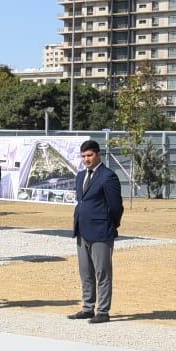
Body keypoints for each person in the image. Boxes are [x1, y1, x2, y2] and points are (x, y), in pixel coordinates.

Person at [70, 139, 124, 324]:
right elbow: (82, 201)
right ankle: (87, 307)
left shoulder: (108, 176)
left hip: (101, 231)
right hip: (82, 230)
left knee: (102, 273)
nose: (86, 159)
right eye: (83, 156)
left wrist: (111, 225)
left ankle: (102, 310)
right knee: (85, 272)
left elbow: (116, 206)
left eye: (90, 155)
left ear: (98, 154)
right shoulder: (80, 176)